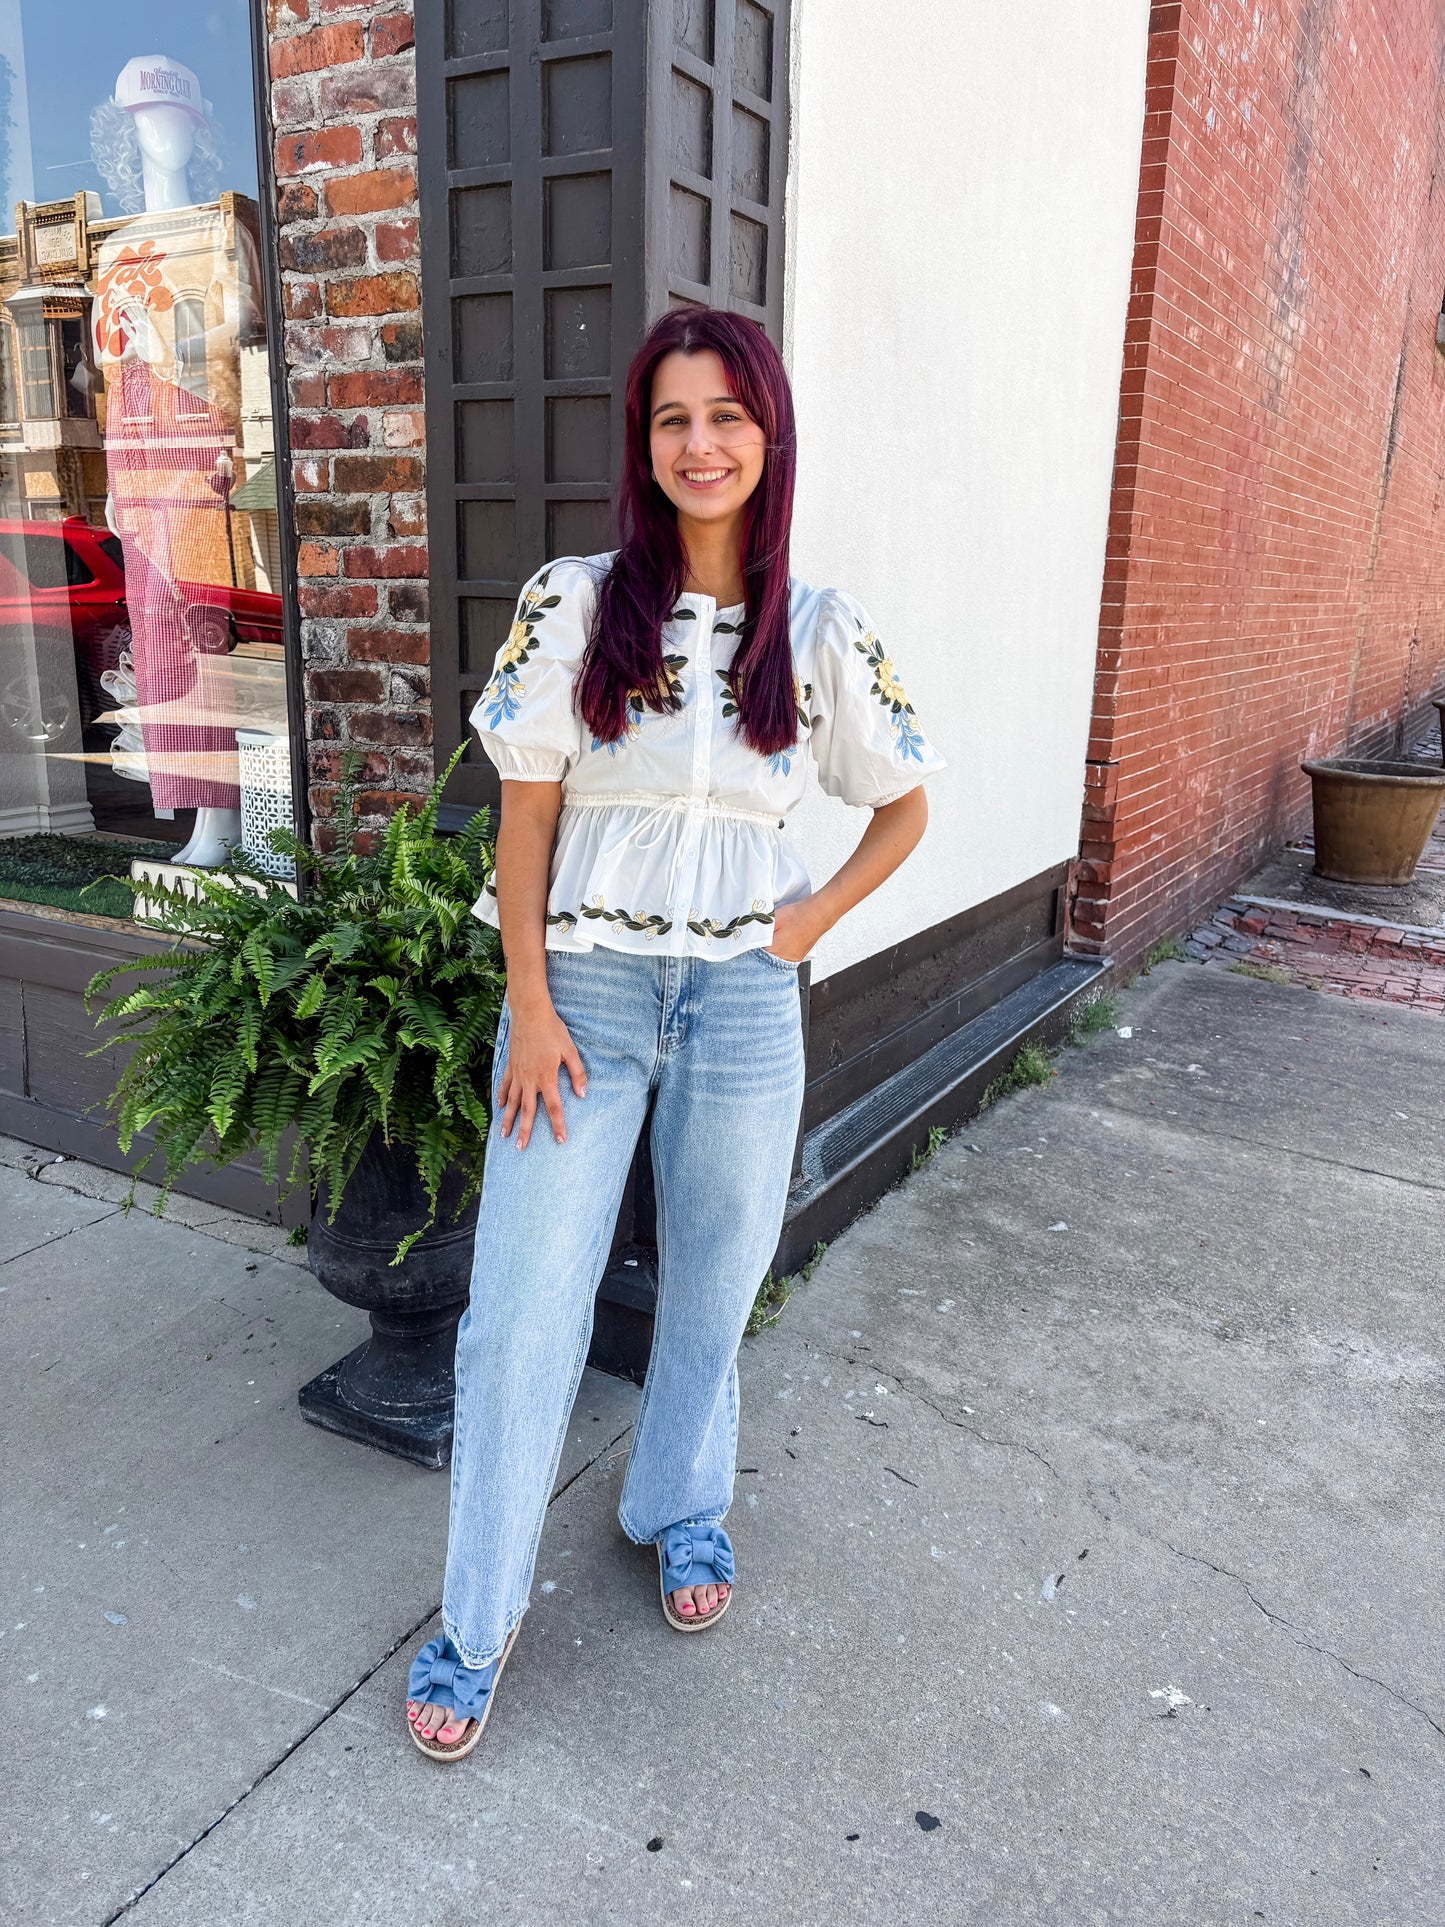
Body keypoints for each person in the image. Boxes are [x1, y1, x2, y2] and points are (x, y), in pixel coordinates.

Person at [406, 305, 944, 1760]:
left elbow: (902, 803)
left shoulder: (817, 628)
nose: (700, 444)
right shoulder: (577, 602)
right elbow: (523, 810)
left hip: (746, 1005)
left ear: (767, 436)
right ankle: (475, 1620)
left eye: (725, 416)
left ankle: (676, 1508)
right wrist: (525, 1001)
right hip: (581, 997)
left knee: (713, 1286)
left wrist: (805, 922)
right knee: (521, 1309)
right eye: (671, 420)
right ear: (642, 448)